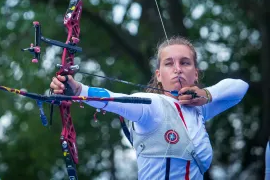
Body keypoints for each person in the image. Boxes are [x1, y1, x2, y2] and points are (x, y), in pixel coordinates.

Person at [50, 36, 249, 179]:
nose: (178, 69)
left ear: (195, 73)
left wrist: (206, 95)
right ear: (159, 75)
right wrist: (77, 89)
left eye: (185, 63)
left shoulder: (199, 110)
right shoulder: (152, 107)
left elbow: (240, 87)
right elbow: (114, 98)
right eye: (169, 63)